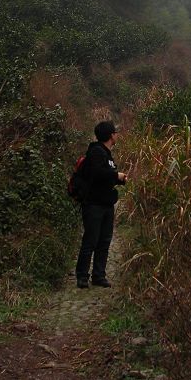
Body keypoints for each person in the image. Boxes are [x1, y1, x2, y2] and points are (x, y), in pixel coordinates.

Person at [75, 120, 127, 289]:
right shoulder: (96, 152)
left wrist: (119, 179)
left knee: (104, 241)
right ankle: (82, 276)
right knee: (90, 240)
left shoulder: (106, 153)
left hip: (106, 203)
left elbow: (104, 176)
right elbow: (97, 173)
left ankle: (99, 275)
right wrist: (116, 175)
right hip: (93, 204)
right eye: (115, 132)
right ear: (111, 135)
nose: (117, 135)